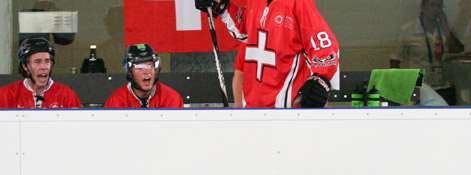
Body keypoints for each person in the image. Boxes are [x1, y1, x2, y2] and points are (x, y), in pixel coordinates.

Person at [195, 0, 340, 108]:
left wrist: (320, 81)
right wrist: (221, 6)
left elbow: (324, 46)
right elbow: (246, 29)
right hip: (254, 111)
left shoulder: (298, 3)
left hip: (286, 112)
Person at [390, 0, 465, 106]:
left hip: (444, 86)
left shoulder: (444, 30)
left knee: (445, 116)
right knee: (416, 115)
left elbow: (458, 50)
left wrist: (445, 27)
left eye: (439, 6)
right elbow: (395, 59)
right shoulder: (408, 30)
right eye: (432, 5)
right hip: (417, 86)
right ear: (423, 7)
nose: (435, 9)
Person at [0, 37, 81, 109]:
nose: (43, 67)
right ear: (25, 66)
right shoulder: (5, 95)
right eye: (37, 61)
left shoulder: (67, 95)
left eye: (47, 61)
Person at [104, 44, 184, 108]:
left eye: (149, 65)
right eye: (139, 67)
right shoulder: (116, 101)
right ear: (129, 72)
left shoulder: (171, 98)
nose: (146, 72)